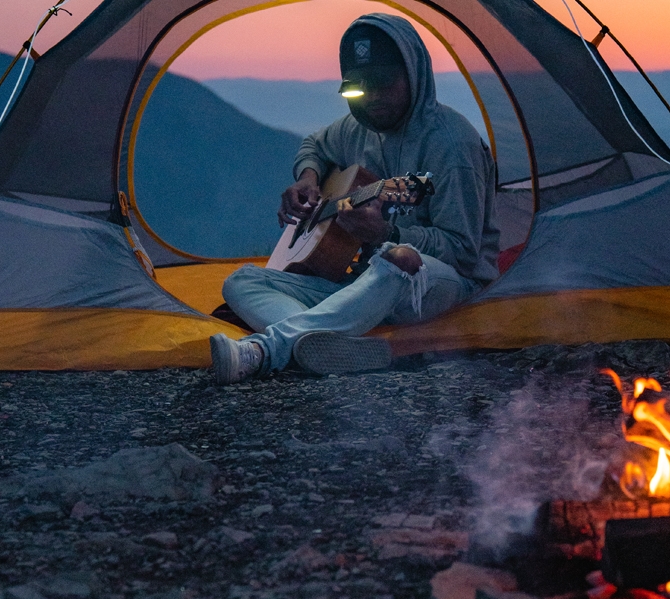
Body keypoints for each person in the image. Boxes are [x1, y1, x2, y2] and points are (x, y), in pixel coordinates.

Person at [209, 13, 499, 384]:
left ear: (413, 75)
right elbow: (314, 144)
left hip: (442, 285)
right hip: (364, 284)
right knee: (243, 280)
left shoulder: (451, 145)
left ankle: (265, 350)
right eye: (358, 88)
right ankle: (326, 345)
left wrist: (386, 235)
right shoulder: (359, 126)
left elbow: (463, 252)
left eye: (383, 83)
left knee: (399, 259)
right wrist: (309, 178)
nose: (373, 98)